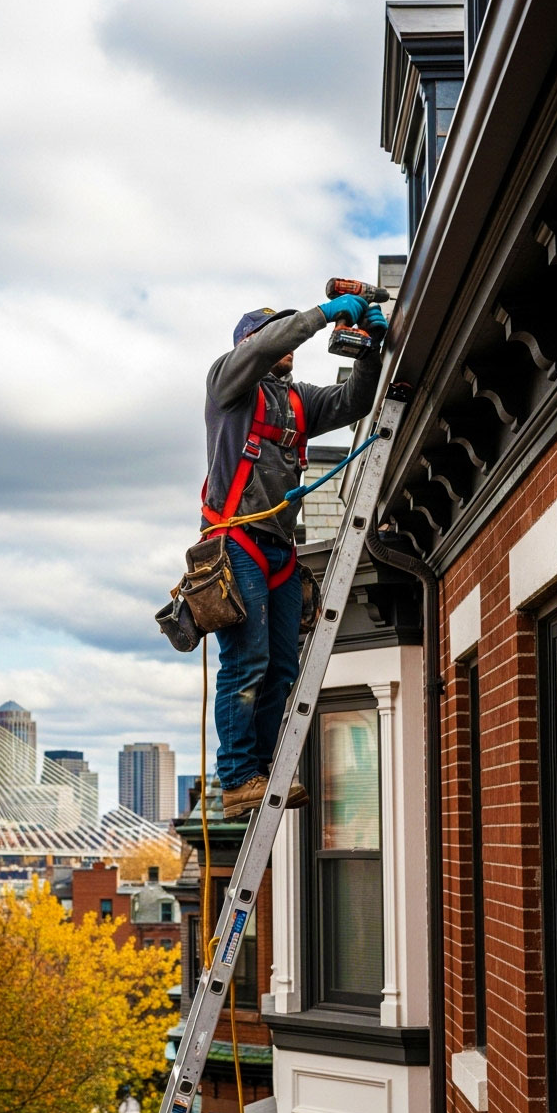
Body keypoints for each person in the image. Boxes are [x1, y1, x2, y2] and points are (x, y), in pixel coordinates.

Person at [203, 297, 386, 819]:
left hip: (279, 549)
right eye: (276, 334)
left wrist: (369, 347)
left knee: (282, 667)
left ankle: (259, 770)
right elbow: (270, 343)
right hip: (234, 539)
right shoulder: (229, 385)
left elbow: (355, 399)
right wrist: (325, 313)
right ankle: (237, 777)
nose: (289, 344)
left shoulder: (298, 401)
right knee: (246, 662)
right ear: (250, 344)